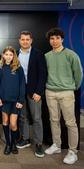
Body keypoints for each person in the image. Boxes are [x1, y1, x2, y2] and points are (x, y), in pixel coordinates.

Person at [44, 27, 83, 165]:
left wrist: (71, 87)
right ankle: (57, 145)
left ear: (62, 39)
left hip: (66, 92)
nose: (54, 41)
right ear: (49, 41)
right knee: (54, 120)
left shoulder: (71, 55)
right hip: (50, 92)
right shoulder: (47, 56)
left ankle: (73, 152)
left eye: (57, 38)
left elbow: (78, 75)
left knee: (70, 123)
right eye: (52, 39)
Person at [16, 31, 47, 158]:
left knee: (37, 118)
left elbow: (43, 74)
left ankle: (39, 144)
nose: (25, 41)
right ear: (19, 41)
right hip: (20, 90)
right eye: (22, 39)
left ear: (31, 40)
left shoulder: (38, 54)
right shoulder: (15, 54)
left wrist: (39, 92)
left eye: (27, 39)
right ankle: (25, 139)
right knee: (23, 117)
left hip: (34, 91)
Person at [0, 46, 25, 155]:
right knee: (5, 122)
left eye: (10, 55)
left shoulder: (18, 68)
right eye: (6, 54)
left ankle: (13, 143)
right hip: (3, 101)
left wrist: (21, 100)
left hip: (15, 101)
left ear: (13, 56)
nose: (8, 57)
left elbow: (22, 85)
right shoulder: (0, 67)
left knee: (13, 124)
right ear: (3, 55)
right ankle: (8, 144)